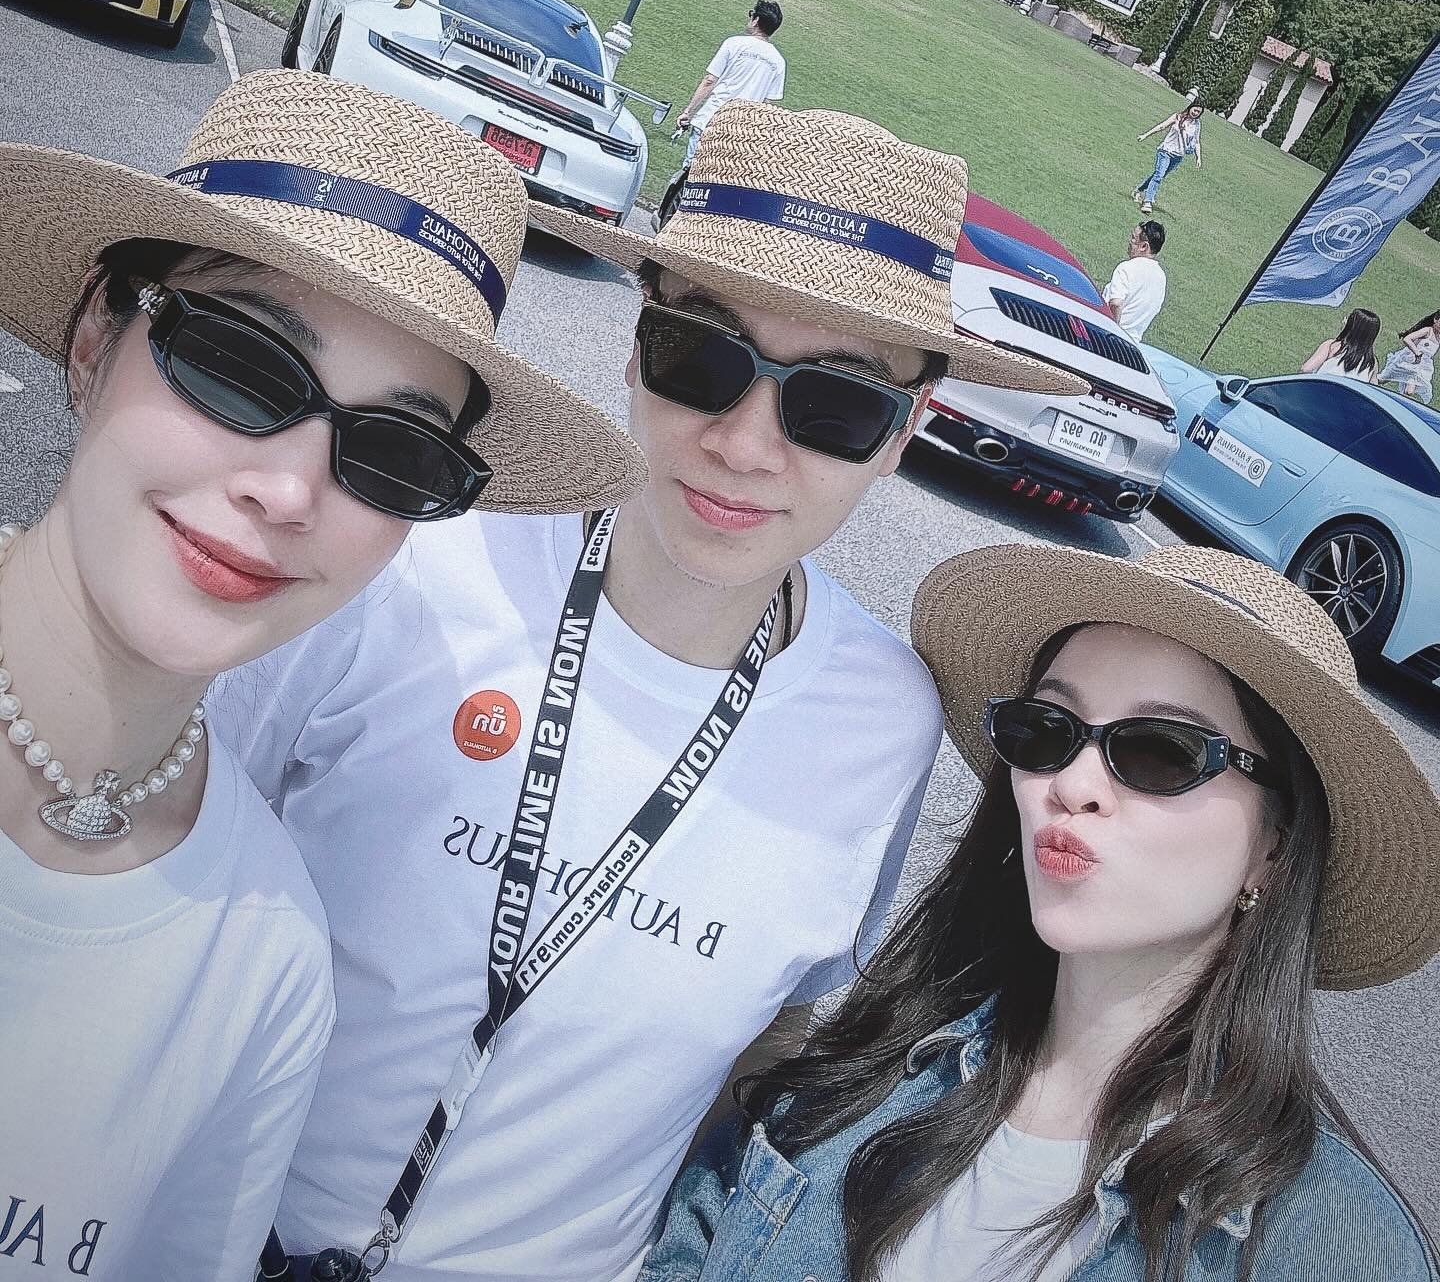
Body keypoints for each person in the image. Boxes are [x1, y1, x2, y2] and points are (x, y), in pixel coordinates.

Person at [209, 104, 1079, 1282]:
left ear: (902, 434)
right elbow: (183, 845)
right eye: (700, 358)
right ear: (635, 344)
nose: (744, 445)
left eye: (837, 406)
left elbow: (777, 1028)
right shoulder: (422, 557)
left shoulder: (884, 718)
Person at [0, 68, 644, 1280]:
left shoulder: (271, 961)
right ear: (95, 338)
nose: (291, 490)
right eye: (238, 366)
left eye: (394, 453)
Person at [644, 541, 1440, 1282]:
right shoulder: (867, 1073)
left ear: (1275, 847)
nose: (1073, 785)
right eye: (1047, 730)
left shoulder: (1335, 1244)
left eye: (1160, 750)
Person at [674, 2, 786, 166]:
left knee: (691, 170)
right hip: (739, 132)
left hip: (711, 119)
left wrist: (688, 111)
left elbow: (709, 80)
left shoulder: (734, 43)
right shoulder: (778, 61)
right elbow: (766, 104)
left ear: (756, 20)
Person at [1134, 97, 1203, 211]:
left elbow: (1196, 142)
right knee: (1158, 176)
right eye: (1195, 110)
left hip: (1178, 157)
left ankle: (1138, 190)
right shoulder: (1177, 117)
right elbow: (1162, 126)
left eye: (1198, 112)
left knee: (1158, 176)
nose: (1195, 113)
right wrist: (1145, 135)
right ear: (1190, 108)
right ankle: (1147, 202)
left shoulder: (1197, 124)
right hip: (1165, 151)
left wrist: (1198, 158)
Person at [1102, 219, 1166, 341]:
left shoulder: (1126, 268)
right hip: (1132, 344)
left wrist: (1112, 332)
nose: (1130, 242)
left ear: (1144, 246)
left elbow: (1116, 303)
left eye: (1133, 238)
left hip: (1108, 338)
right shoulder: (1161, 278)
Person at [1377, 309, 1440, 404]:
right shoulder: (1428, 331)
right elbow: (1407, 339)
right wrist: (1417, 352)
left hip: (1421, 366)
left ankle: (1399, 404)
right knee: (1383, 379)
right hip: (1408, 361)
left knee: (1409, 391)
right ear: (1436, 319)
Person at [1302, 308, 1381, 382]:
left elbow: (1306, 369)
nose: (1344, 321)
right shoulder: (1372, 363)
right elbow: (1372, 388)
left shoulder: (1332, 346)